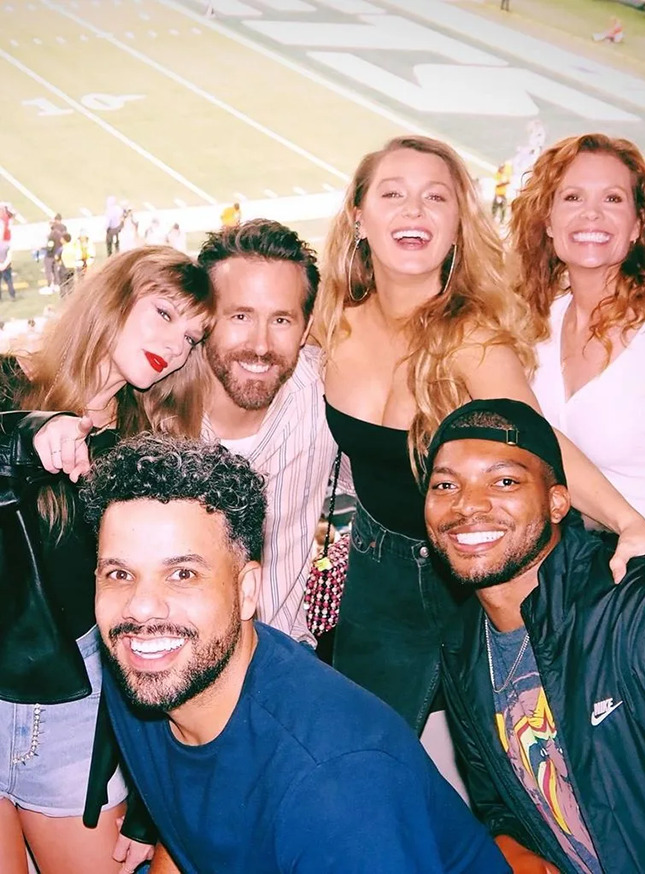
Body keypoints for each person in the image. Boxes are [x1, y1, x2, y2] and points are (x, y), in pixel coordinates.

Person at [314, 134, 645, 742]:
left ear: (458, 224)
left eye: (435, 197)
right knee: (359, 748)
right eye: (394, 193)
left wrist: (630, 524)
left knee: (531, 763)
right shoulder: (326, 321)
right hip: (375, 571)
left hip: (485, 567)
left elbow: (540, 441)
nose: (414, 211)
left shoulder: (472, 336)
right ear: (358, 216)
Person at [82, 433, 509, 874]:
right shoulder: (145, 670)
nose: (141, 607)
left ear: (247, 592)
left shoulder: (336, 786)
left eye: (183, 573)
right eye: (119, 573)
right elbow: (186, 825)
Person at [0, 247, 214, 874]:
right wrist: (27, 434)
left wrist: (151, 796)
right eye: (164, 313)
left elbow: (162, 622)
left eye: (192, 336)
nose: (176, 346)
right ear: (115, 297)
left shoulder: (144, 448)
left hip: (74, 711)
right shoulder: (8, 382)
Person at [425, 398, 645, 874]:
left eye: (504, 481)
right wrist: (514, 850)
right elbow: (496, 803)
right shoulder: (463, 645)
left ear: (556, 502)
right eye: (445, 485)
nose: (467, 505)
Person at [511, 133, 645, 553]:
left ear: (637, 225)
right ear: (547, 221)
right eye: (573, 197)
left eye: (613, 199)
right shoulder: (533, 322)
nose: (591, 215)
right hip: (554, 557)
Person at [197, 220, 337, 645]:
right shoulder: (147, 410)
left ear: (306, 326)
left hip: (281, 660)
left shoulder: (329, 394)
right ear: (204, 317)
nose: (260, 344)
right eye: (240, 316)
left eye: (281, 319)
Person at [0, 236, 16, 301]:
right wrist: (4, 265)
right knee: (9, 281)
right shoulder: (6, 245)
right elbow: (9, 257)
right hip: (6, 267)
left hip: (3, 265)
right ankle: (12, 296)